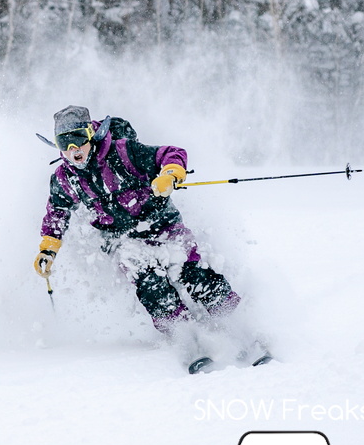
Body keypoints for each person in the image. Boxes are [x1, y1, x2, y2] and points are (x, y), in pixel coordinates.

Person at [33, 105, 240, 338]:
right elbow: (57, 212)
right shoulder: (65, 178)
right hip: (122, 241)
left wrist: (170, 174)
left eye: (78, 138)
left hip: (163, 225)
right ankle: (186, 337)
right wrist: (48, 249)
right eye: (64, 143)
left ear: (92, 134)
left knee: (193, 271)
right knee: (152, 286)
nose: (73, 149)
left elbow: (171, 153)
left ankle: (238, 324)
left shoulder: (123, 152)